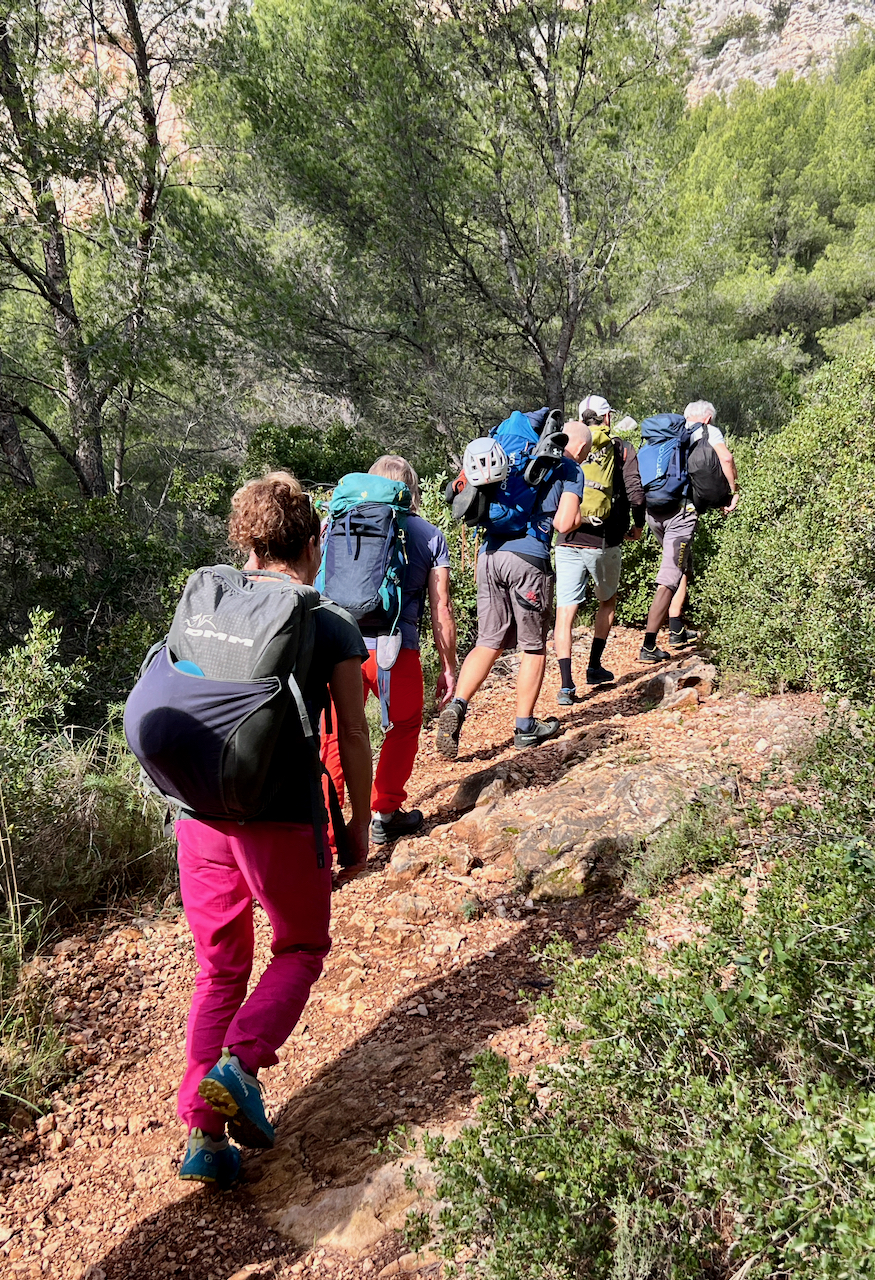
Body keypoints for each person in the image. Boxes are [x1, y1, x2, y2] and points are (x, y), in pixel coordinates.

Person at [176, 472, 372, 1187]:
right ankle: (240, 1065)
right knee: (300, 946)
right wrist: (358, 823)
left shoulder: (207, 602)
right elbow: (353, 733)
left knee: (220, 969)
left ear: (247, 542)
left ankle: (203, 1139)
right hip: (282, 818)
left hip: (199, 814)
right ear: (313, 542)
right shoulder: (329, 622)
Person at [321, 455, 457, 845]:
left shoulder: (337, 524)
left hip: (337, 646)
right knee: (404, 725)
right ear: (409, 491)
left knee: (334, 732)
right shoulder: (429, 535)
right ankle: (386, 811)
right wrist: (448, 665)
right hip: (395, 649)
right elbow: (442, 607)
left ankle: (328, 828)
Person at [436, 420, 591, 758]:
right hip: (528, 559)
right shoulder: (569, 469)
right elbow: (565, 523)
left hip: (489, 557)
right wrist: (578, 517)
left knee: (488, 641)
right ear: (580, 448)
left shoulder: (512, 457)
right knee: (533, 646)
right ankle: (525, 727)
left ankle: (457, 705)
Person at [553, 396, 646, 702]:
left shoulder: (565, 446)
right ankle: (594, 666)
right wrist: (638, 525)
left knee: (565, 612)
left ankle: (566, 685)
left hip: (567, 538)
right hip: (603, 540)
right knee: (607, 600)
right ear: (607, 418)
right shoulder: (620, 448)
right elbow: (635, 493)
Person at [639, 400, 739, 662]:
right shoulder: (707, 431)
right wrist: (733, 491)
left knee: (680, 565)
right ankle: (648, 645)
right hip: (681, 512)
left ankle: (676, 629)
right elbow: (726, 458)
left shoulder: (665, 436)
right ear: (707, 418)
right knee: (670, 575)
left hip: (653, 511)